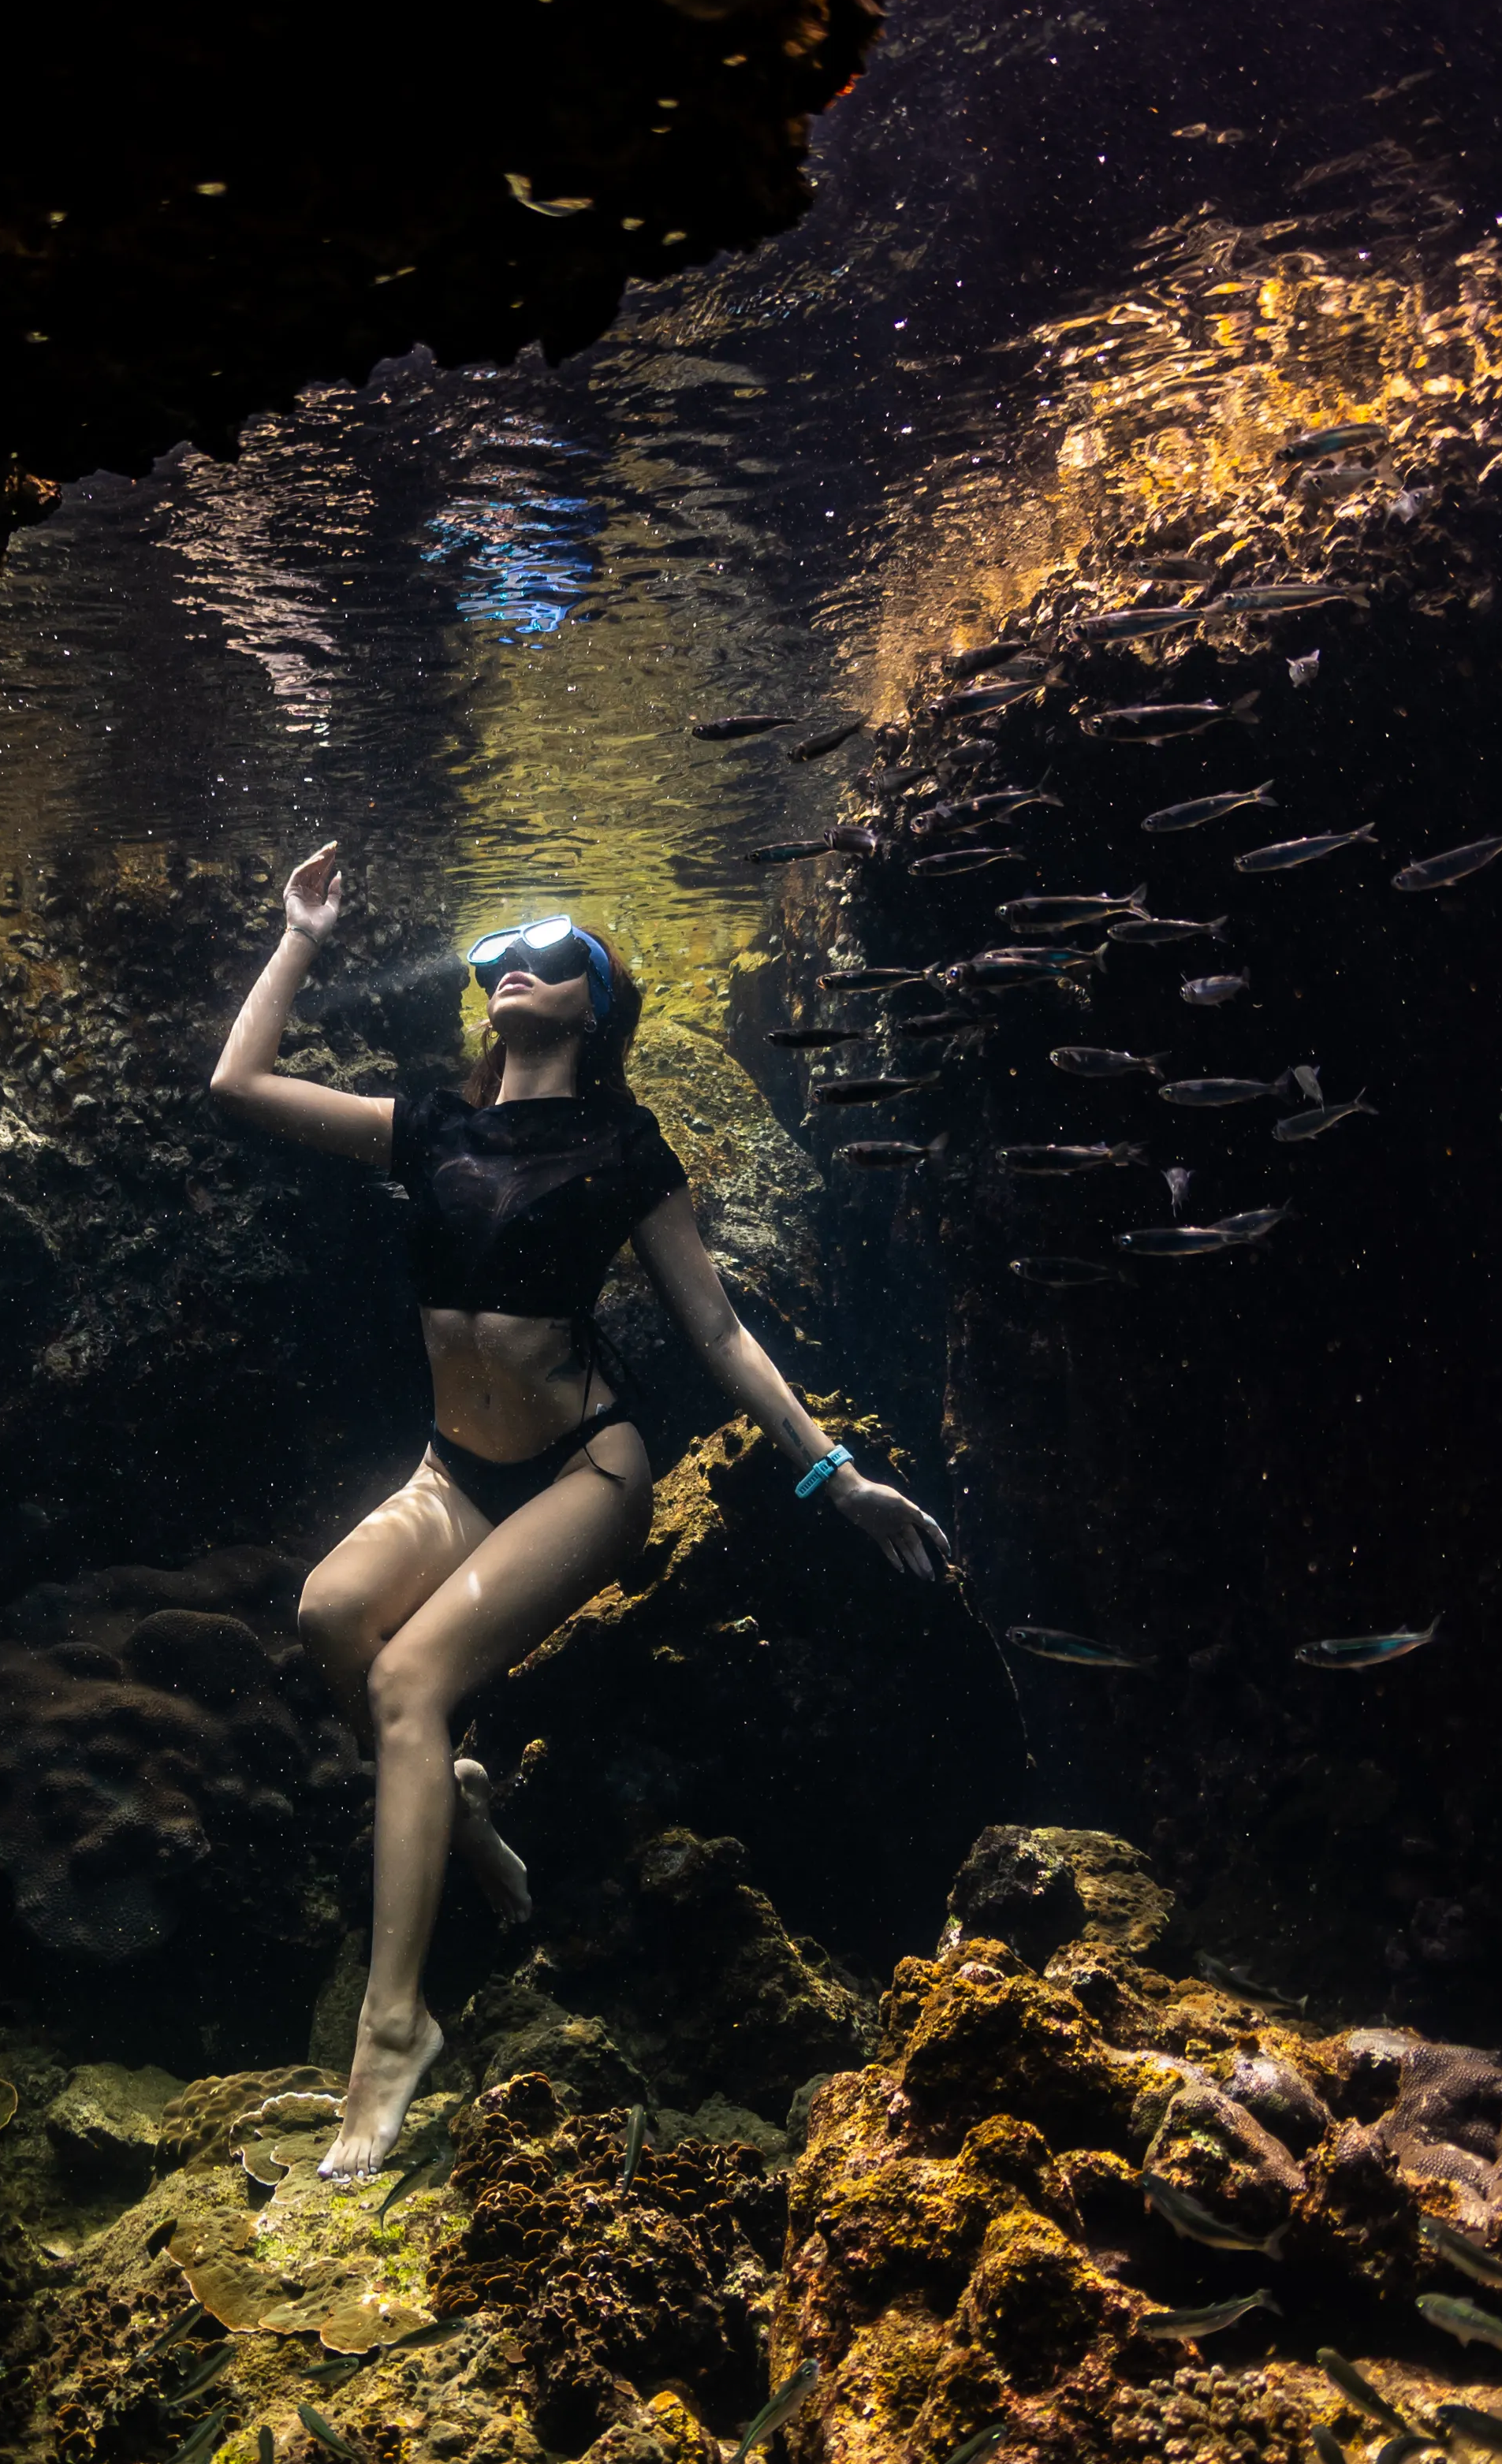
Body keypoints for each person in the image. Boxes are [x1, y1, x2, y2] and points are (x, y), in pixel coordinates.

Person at [209, 847, 949, 2180]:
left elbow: (718, 1330)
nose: (516, 964)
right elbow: (239, 1085)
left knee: (411, 1685)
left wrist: (835, 1476)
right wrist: (300, 935)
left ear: (596, 1001)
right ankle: (467, 1808)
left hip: (582, 1473)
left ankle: (392, 2035)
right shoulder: (429, 1125)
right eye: (501, 952)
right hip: (451, 1476)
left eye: (553, 949)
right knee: (330, 1616)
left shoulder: (624, 1147)